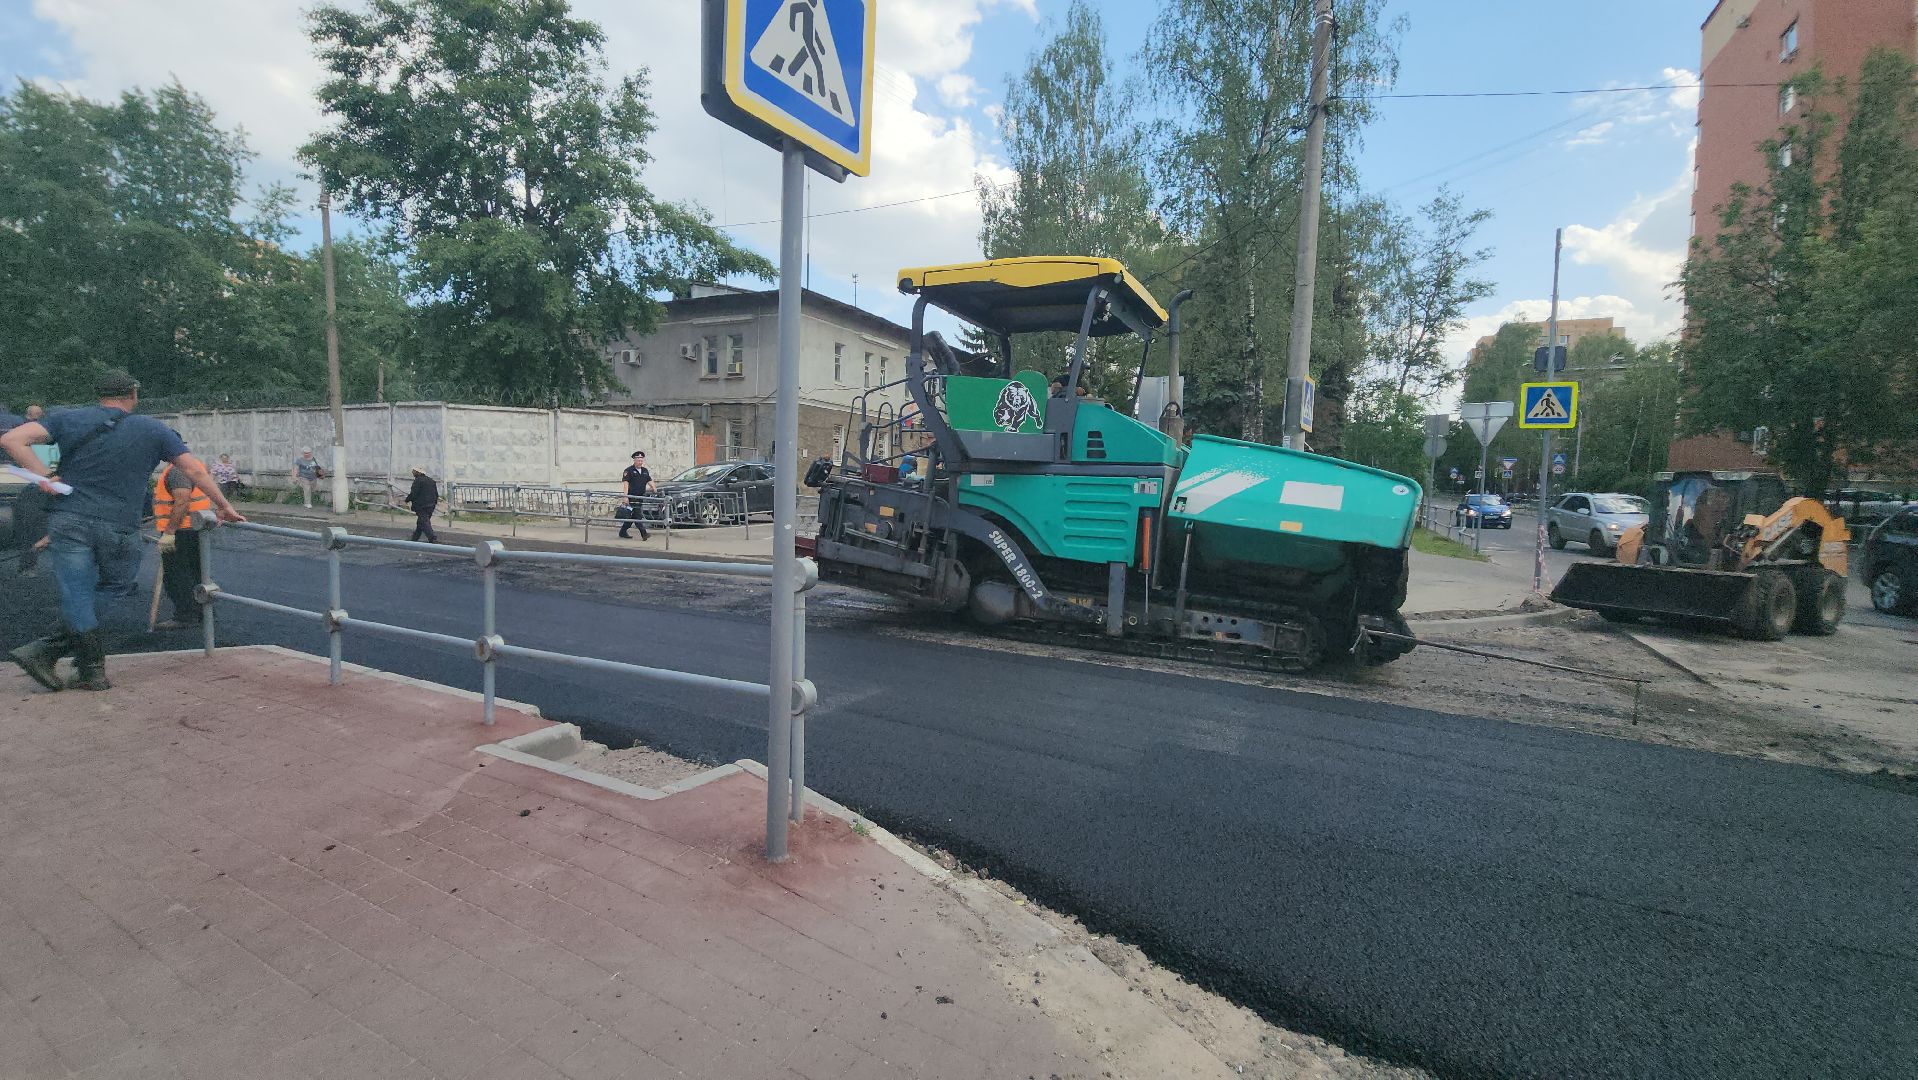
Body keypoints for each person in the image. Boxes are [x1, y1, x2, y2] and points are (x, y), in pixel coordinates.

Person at [1, 370, 244, 691]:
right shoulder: (153, 429)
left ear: (99, 394)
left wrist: (45, 476)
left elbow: (10, 439)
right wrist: (223, 505)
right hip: (118, 525)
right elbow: (194, 469)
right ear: (133, 394)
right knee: (116, 584)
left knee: (77, 592)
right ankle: (65, 658)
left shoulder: (67, 419)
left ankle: (76, 663)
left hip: (69, 519)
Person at [153, 460, 211, 630]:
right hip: (196, 527)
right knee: (197, 573)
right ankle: (202, 611)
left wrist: (170, 532)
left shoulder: (177, 471)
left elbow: (182, 501)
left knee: (176, 575)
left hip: (181, 530)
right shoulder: (196, 465)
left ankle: (185, 615)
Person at [619, 450, 655, 540]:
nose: (640, 462)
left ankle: (622, 532)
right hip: (632, 497)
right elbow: (626, 484)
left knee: (632, 516)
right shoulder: (629, 470)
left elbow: (649, 480)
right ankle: (644, 533)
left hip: (640, 497)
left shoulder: (644, 471)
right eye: (638, 460)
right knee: (637, 515)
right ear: (634, 460)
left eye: (641, 460)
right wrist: (625, 496)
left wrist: (654, 488)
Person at [403, 466, 440, 543]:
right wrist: (434, 502)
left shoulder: (418, 481)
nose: (412, 473)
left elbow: (414, 494)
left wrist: (406, 500)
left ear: (418, 472)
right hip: (431, 505)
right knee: (421, 522)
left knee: (424, 522)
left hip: (421, 506)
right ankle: (414, 538)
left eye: (414, 471)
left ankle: (432, 537)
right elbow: (436, 494)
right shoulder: (431, 481)